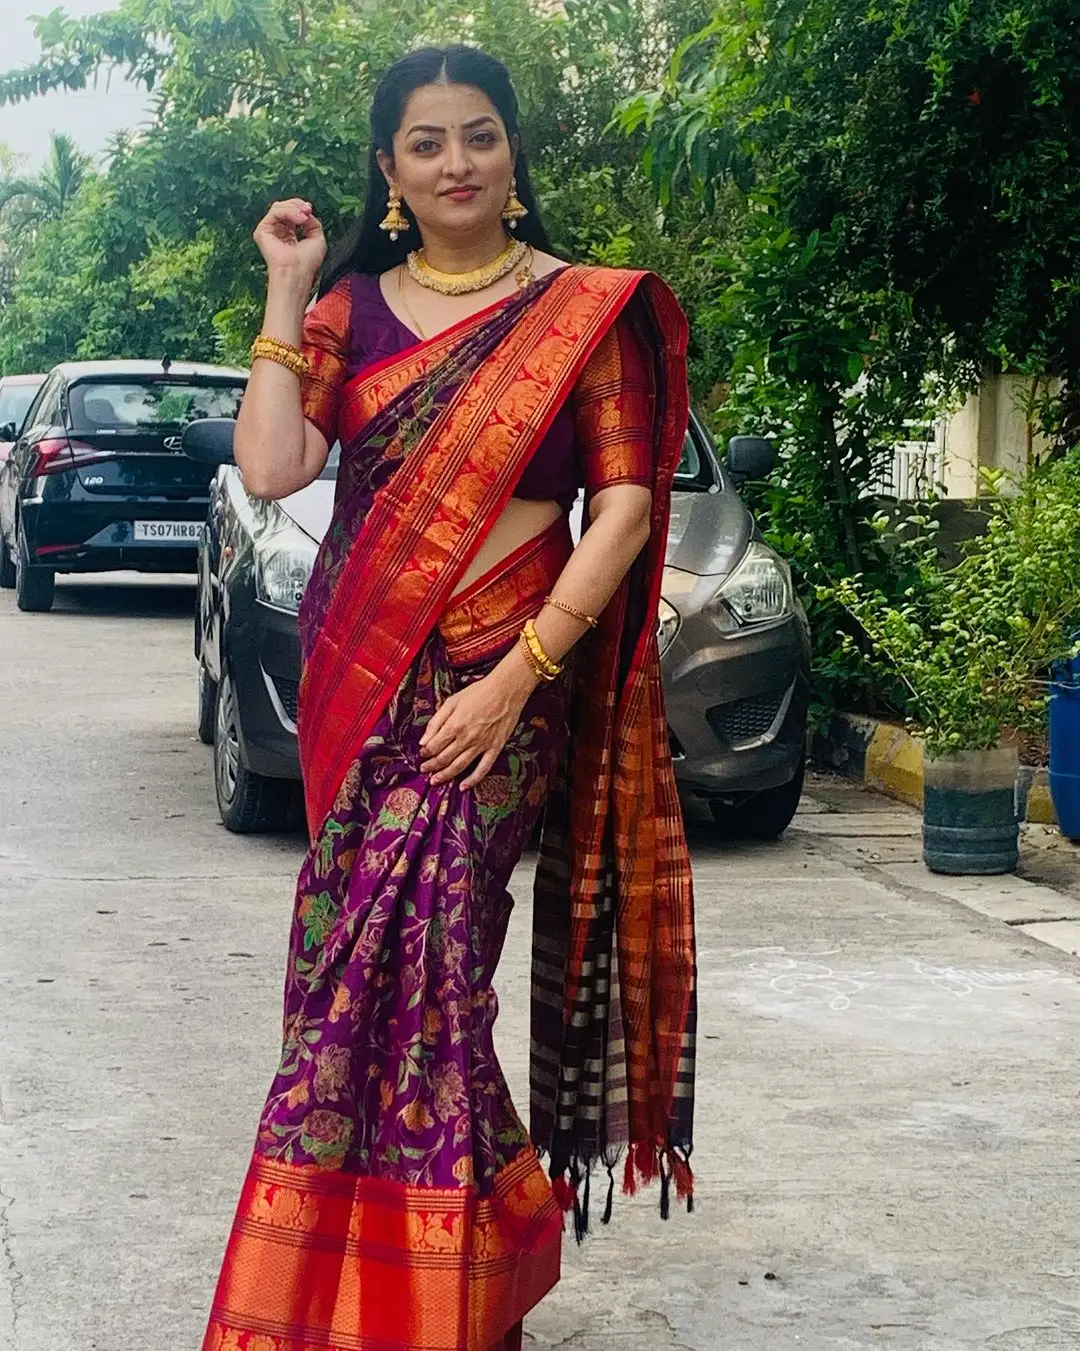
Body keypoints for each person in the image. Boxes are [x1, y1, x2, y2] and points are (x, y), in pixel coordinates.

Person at [202, 43, 696, 1351]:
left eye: (478, 136)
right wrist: (289, 282)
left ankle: (445, 1299)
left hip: (506, 678)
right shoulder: (350, 309)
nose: (456, 163)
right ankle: (451, 1261)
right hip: (362, 682)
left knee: (432, 977)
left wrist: (524, 669)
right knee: (344, 986)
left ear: (514, 156)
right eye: (426, 144)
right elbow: (271, 461)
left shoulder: (584, 314)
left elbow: (628, 501)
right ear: (391, 171)